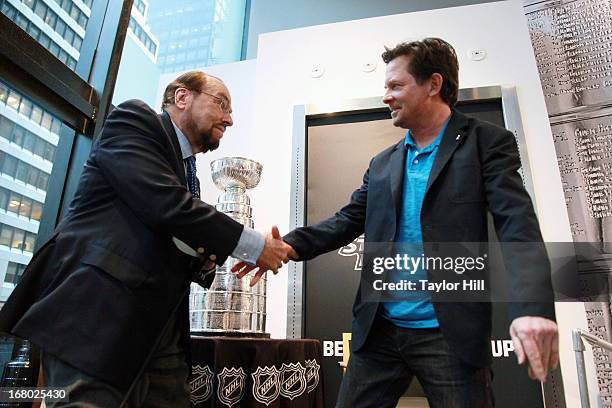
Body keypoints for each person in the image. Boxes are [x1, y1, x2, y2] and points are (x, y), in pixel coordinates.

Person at [233, 38, 559, 407]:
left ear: (433, 85)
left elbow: (518, 225)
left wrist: (531, 307)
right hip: (380, 331)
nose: (385, 96)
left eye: (395, 85)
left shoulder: (486, 143)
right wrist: (286, 246)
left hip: (449, 334)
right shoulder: (383, 163)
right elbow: (347, 219)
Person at [0, 71, 293, 407]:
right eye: (222, 104)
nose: (229, 118)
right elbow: (166, 205)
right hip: (97, 323)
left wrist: (212, 255)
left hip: (159, 339)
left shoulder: (188, 170)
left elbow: (173, 231)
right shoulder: (134, 121)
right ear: (183, 98)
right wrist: (256, 247)